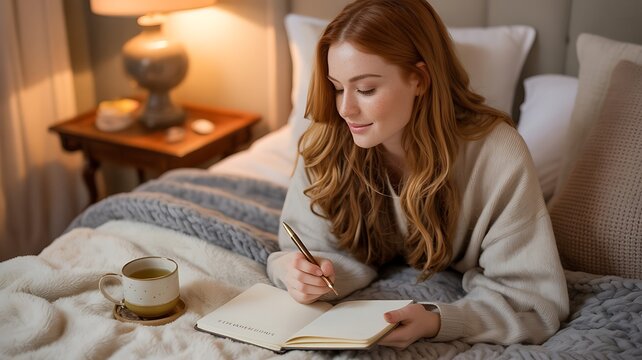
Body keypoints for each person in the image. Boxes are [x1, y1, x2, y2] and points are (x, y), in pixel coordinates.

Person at [267, 0, 569, 349]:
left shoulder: (498, 153)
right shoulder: (327, 140)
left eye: (365, 89)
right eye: (337, 87)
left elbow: (534, 301)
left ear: (420, 80)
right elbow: (304, 250)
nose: (345, 109)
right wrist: (301, 272)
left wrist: (439, 320)